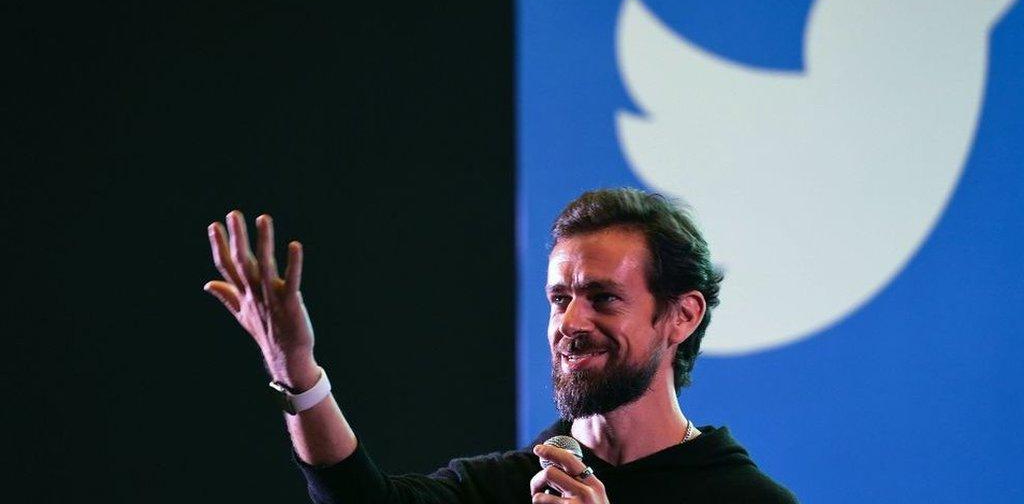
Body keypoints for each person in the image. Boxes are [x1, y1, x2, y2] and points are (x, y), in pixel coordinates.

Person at [205, 188, 797, 503]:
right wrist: (296, 372)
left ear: (681, 316)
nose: (571, 321)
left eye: (603, 298)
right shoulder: (511, 486)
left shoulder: (745, 499)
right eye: (559, 297)